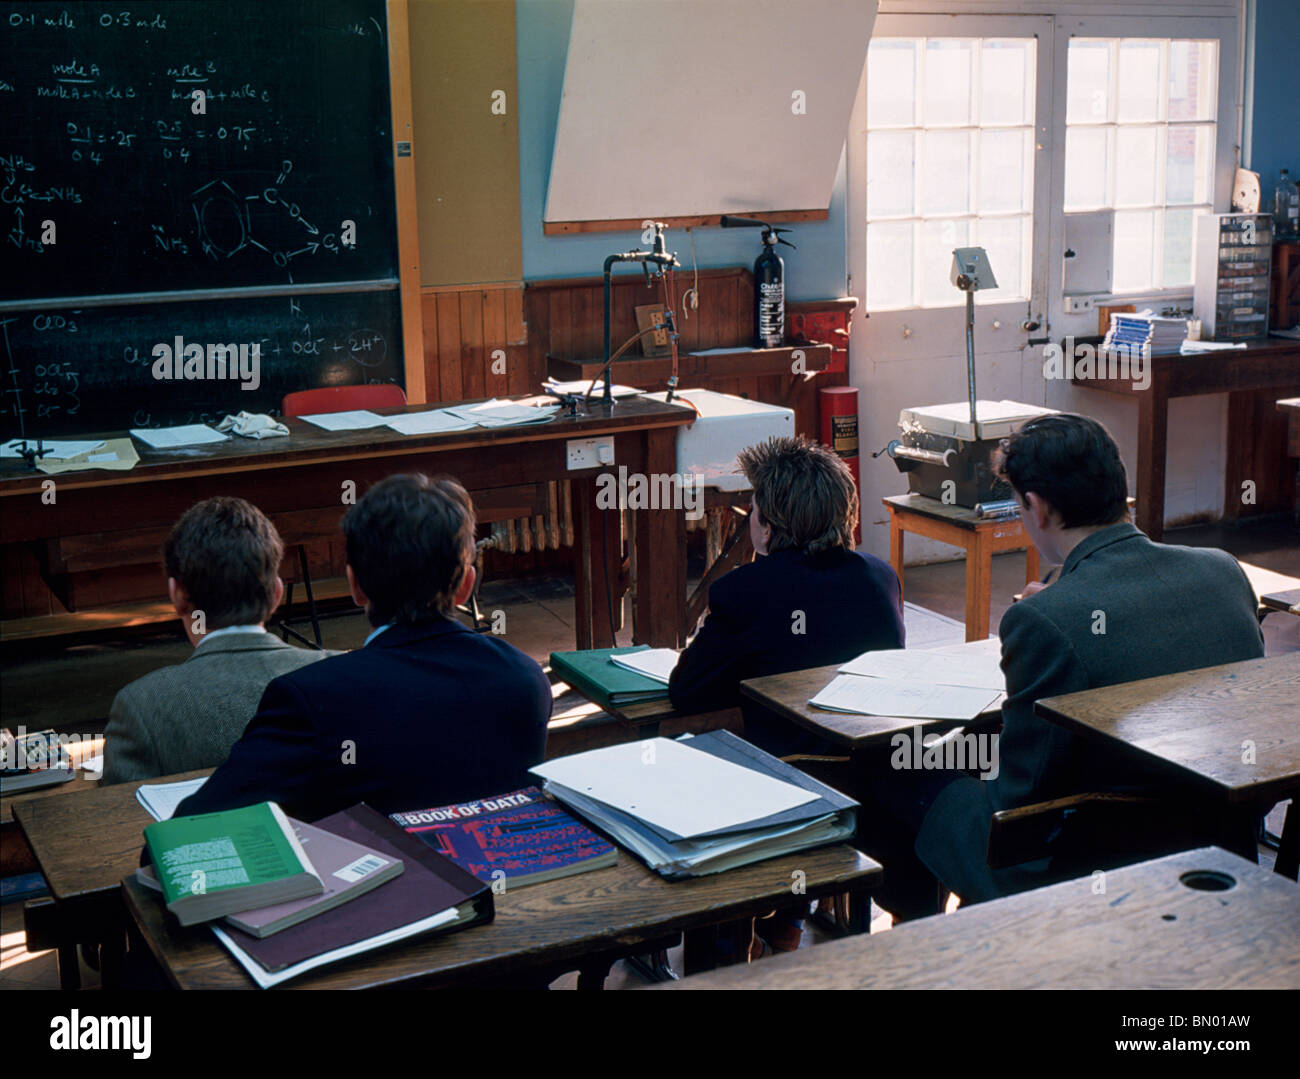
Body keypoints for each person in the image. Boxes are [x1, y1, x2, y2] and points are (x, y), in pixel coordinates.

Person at [881, 413, 1265, 910]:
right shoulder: (1222, 570)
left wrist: (1049, 613)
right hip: (1221, 839)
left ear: (1035, 508)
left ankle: (919, 950)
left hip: (1085, 868)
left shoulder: (1044, 619)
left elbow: (1021, 799)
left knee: (901, 766)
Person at [173, 474, 552, 821]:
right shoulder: (524, 677)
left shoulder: (312, 699)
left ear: (355, 585)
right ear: (467, 585)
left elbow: (191, 832)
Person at [668, 434, 905, 735]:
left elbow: (687, 693)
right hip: (877, 760)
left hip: (791, 769)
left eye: (753, 509)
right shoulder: (882, 577)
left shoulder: (741, 591)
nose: (751, 517)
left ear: (767, 528)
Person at [102, 497, 331, 785]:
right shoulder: (339, 673)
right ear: (276, 593)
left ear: (176, 595)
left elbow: (123, 815)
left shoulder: (142, 705)